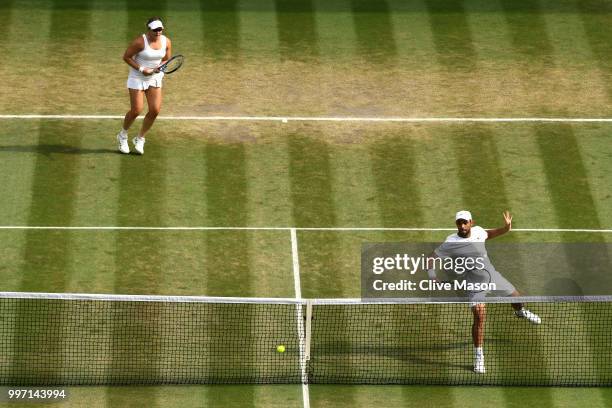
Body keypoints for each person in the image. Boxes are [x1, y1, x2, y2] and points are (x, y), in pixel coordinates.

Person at [426, 210, 541, 374]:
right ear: (456, 224)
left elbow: (490, 233)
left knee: (517, 298)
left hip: (492, 277)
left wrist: (506, 228)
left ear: (471, 222)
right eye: (459, 222)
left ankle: (521, 312)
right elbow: (431, 257)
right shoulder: (450, 242)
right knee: (480, 316)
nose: (462, 225)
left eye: (465, 222)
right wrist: (432, 277)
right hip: (473, 285)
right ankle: (479, 358)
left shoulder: (479, 232)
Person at [116, 17, 172, 155]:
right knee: (136, 110)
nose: (158, 32)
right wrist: (143, 70)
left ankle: (140, 138)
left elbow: (166, 59)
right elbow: (126, 57)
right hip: (137, 77)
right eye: (155, 30)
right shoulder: (140, 42)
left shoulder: (166, 41)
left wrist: (158, 68)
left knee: (155, 110)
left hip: (155, 77)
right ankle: (122, 135)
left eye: (160, 29)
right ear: (149, 30)